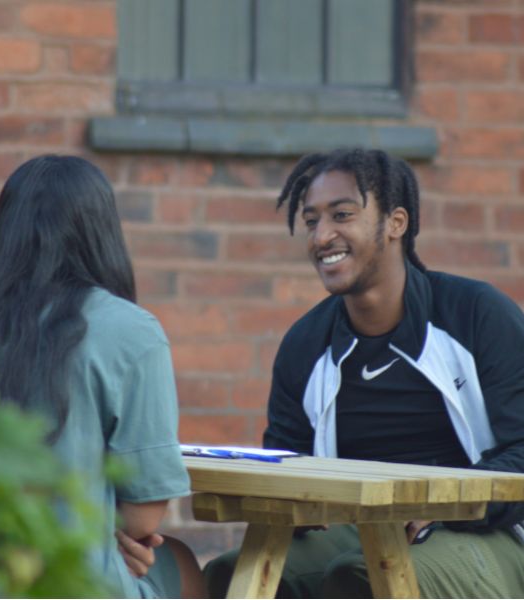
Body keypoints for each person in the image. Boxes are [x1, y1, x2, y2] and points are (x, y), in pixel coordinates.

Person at [204, 148, 524, 598]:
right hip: (358, 527)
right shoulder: (305, 343)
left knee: (358, 579)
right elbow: (287, 460)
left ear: (396, 222)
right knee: (230, 576)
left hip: (483, 530)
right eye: (312, 220)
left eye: (342, 215)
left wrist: (446, 506)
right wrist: (293, 502)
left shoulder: (476, 316)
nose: (322, 236)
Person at [0, 155, 206, 598]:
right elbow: (145, 516)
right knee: (184, 565)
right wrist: (97, 531)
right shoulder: (131, 331)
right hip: (71, 580)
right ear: (102, 232)